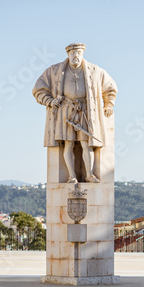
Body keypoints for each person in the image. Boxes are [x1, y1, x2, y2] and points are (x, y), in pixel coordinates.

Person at [33, 43, 117, 183]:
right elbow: (38, 89)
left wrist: (108, 104)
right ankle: (72, 176)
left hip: (86, 111)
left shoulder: (95, 70)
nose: (75, 56)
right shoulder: (55, 71)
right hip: (65, 111)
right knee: (68, 143)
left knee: (86, 143)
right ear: (68, 54)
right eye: (72, 53)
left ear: (82, 54)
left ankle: (89, 174)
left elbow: (110, 88)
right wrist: (49, 101)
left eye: (78, 53)